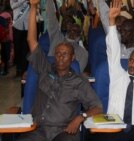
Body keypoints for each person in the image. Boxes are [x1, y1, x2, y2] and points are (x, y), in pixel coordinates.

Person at [17, 0, 102, 141]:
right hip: (38, 130)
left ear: (72, 58)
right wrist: (33, 7)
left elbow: (97, 107)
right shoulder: (44, 68)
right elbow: (31, 40)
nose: (60, 57)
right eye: (58, 53)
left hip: (65, 131)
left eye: (65, 54)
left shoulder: (79, 81)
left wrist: (80, 117)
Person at [88, 0, 134, 141]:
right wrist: (111, 20)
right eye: (131, 60)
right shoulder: (117, 73)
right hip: (115, 125)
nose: (132, 65)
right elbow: (113, 48)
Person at [46, 0, 88, 73]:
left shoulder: (83, 53)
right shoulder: (57, 37)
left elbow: (77, 73)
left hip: (68, 81)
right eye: (71, 29)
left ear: (80, 35)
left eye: (76, 31)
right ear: (68, 28)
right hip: (49, 74)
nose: (72, 32)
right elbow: (51, 16)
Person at [10, 0, 30, 77]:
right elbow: (13, 6)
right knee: (17, 49)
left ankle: (24, 70)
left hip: (27, 26)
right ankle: (18, 69)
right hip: (17, 25)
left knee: (25, 50)